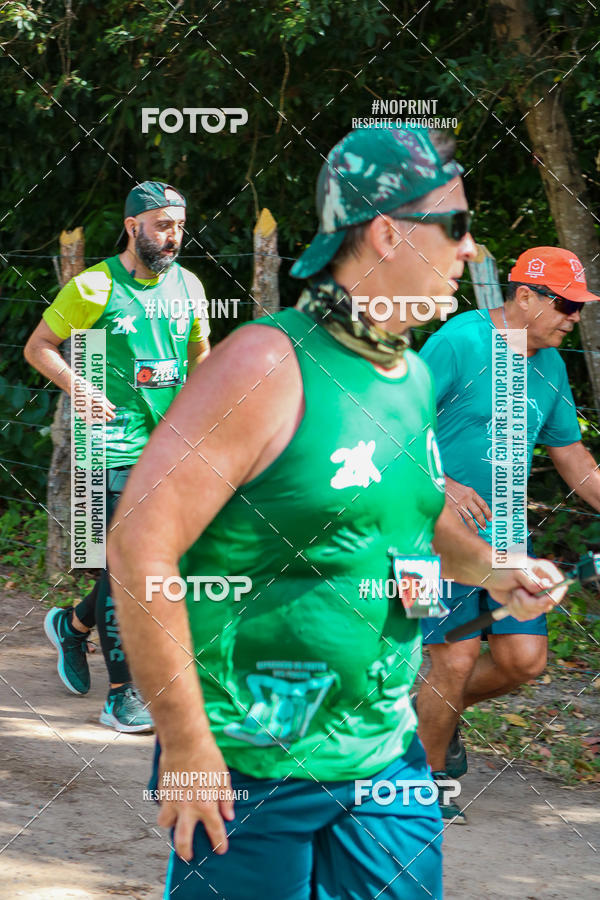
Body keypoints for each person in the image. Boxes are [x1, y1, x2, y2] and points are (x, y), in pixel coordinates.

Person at [108, 128, 563, 898]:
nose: (470, 248)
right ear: (387, 232)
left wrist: (497, 571)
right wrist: (184, 745)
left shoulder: (411, 375)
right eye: (455, 224)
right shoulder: (264, 363)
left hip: (385, 761)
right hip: (250, 766)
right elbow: (138, 545)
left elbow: (415, 522)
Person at [416, 245, 600, 822]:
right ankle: (424, 783)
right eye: (565, 304)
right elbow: (395, 421)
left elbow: (573, 458)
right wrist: (444, 483)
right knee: (454, 659)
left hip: (507, 538)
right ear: (524, 296)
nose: (574, 317)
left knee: (524, 661)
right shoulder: (460, 341)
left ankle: (424, 718)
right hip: (432, 530)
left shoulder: (551, 366)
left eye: (579, 307)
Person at [24, 181, 210, 733]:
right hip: (111, 446)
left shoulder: (190, 286)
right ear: (133, 227)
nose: (173, 236)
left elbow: (200, 357)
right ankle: (121, 695)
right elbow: (39, 347)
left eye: (179, 226)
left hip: (169, 447)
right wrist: (79, 386)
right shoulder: (93, 286)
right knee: (124, 569)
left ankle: (74, 626)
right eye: (162, 225)